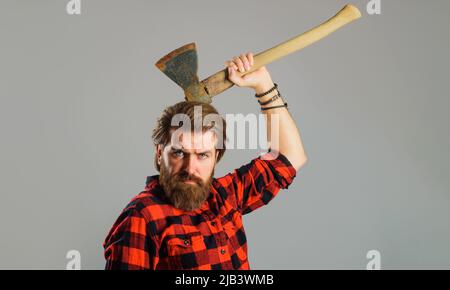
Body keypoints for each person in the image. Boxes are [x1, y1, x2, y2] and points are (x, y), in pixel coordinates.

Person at [103, 52, 308, 269]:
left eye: (203, 155)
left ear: (216, 156)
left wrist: (264, 87)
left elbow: (290, 155)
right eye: (179, 153)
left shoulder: (226, 197)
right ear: (159, 154)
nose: (190, 168)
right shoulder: (141, 217)